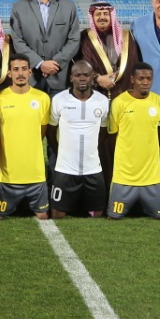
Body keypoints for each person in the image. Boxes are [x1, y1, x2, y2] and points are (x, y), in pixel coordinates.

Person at [48, 60, 110, 218]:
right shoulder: (59, 100)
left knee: (98, 213)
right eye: (78, 75)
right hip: (65, 168)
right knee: (57, 213)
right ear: (71, 78)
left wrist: (93, 149)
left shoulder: (102, 102)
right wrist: (60, 152)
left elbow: (104, 131)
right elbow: (51, 131)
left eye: (86, 75)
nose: (82, 78)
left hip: (93, 168)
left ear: (92, 78)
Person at [106, 63, 160, 220]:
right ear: (132, 79)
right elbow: (112, 135)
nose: (145, 82)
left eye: (148, 78)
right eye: (141, 78)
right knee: (114, 216)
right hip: (124, 176)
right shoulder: (119, 103)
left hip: (152, 176)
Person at [0, 56, 51, 219]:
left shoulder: (43, 99)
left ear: (30, 72)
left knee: (43, 216)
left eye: (24, 69)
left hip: (36, 175)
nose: (20, 73)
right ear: (9, 73)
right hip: (7, 176)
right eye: (16, 69)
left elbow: (42, 131)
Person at [9, 0, 81, 94]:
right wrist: (40, 63)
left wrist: (55, 63)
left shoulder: (68, 6)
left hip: (60, 76)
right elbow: (18, 41)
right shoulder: (19, 7)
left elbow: (74, 40)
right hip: (31, 77)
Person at [79, 1, 141, 99]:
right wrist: (97, 78)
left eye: (106, 14)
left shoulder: (126, 36)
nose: (102, 17)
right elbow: (80, 63)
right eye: (98, 14)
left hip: (122, 90)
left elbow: (132, 62)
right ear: (92, 17)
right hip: (95, 93)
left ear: (111, 16)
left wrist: (115, 76)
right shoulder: (84, 37)